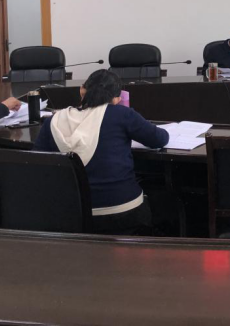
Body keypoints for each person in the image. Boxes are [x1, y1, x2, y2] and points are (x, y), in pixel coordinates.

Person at [34, 69, 169, 236]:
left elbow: (37, 163)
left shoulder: (53, 121)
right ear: (117, 99)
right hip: (123, 214)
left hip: (72, 215)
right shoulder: (122, 114)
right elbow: (160, 139)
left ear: (82, 90)